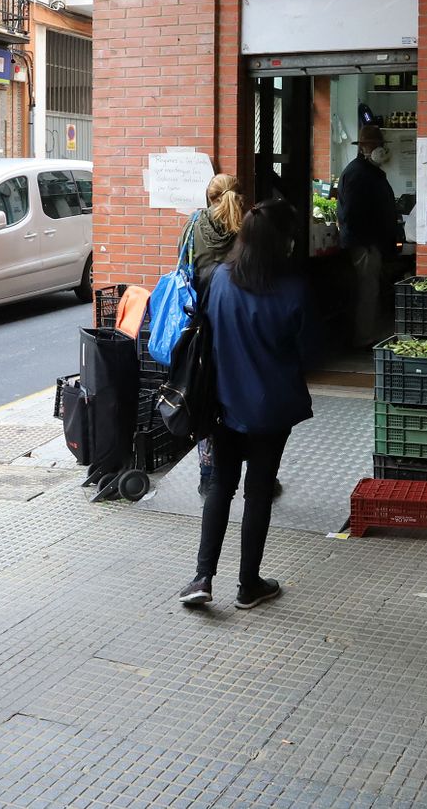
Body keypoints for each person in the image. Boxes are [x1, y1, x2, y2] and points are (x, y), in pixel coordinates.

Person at [177, 198, 314, 610]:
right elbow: (309, 351)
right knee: (258, 492)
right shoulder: (293, 289)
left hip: (222, 402)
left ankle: (202, 578)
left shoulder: (219, 279)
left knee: (221, 484)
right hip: (271, 408)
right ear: (282, 242)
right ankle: (248, 584)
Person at [185, 174, 245, 498]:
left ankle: (207, 475)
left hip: (202, 328)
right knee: (239, 395)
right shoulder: (246, 229)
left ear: (209, 197)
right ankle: (253, 470)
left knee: (205, 395)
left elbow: (183, 269)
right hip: (236, 327)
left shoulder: (194, 224)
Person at [336, 123, 401, 348]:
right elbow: (351, 214)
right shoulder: (359, 174)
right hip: (365, 244)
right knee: (367, 292)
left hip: (368, 243)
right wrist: (369, 242)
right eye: (374, 145)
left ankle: (366, 335)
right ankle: (363, 338)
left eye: (379, 144)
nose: (379, 149)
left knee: (369, 291)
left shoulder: (367, 172)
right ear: (363, 147)